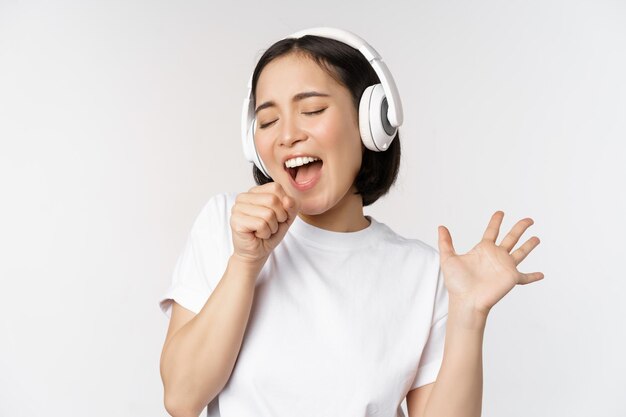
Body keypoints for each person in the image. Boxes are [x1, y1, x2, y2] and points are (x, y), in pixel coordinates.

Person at [158, 28, 544, 417]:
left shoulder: (425, 274)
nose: (288, 135)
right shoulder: (225, 225)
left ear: (371, 123)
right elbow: (181, 398)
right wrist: (245, 263)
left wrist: (469, 314)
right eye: (268, 119)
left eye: (312, 110)